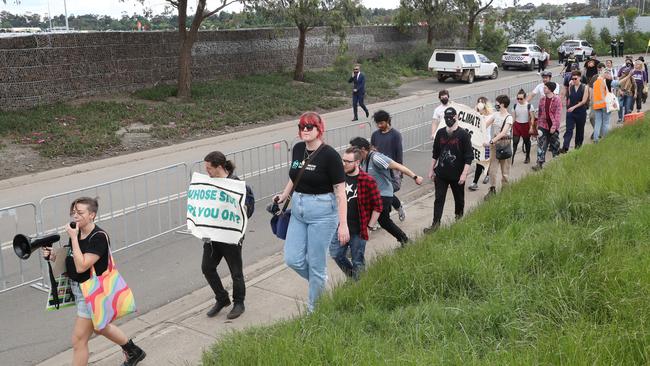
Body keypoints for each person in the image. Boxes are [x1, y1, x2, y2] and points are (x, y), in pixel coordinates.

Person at [42, 197, 146, 366]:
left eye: (80, 212)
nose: (75, 216)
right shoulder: (77, 233)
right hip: (78, 289)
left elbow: (82, 266)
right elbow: (73, 259)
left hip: (91, 292)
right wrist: (53, 256)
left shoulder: (98, 237)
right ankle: (133, 351)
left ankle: (133, 351)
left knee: (78, 340)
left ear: (92, 215)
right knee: (100, 326)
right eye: (73, 212)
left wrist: (74, 238)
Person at [275, 112, 348, 313]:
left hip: (323, 213)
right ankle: (320, 283)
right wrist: (283, 195)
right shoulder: (298, 149)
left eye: (310, 127)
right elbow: (295, 175)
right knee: (292, 259)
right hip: (299, 209)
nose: (305, 130)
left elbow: (340, 192)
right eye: (302, 127)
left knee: (316, 264)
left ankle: (314, 310)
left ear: (319, 129)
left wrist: (343, 224)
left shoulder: (330, 155)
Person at [202, 151, 254, 320]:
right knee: (207, 267)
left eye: (209, 168)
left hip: (231, 236)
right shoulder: (208, 183)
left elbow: (248, 208)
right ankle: (222, 298)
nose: (207, 172)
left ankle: (239, 303)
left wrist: (244, 209)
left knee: (235, 271)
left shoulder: (236, 185)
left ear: (219, 167)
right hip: (213, 236)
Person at [349, 136, 423, 247]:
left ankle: (354, 247)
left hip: (384, 195)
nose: (351, 153)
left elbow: (398, 166)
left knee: (364, 218)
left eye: (354, 150)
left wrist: (415, 177)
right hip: (375, 196)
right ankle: (405, 241)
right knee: (384, 222)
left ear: (363, 149)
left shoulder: (376, 158)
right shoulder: (362, 162)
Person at [329, 147, 382, 280]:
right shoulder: (339, 177)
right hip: (341, 227)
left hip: (359, 229)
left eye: (348, 161)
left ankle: (359, 285)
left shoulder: (367, 181)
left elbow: (378, 206)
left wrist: (369, 227)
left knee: (358, 260)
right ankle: (354, 278)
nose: (343, 164)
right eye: (343, 160)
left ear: (357, 162)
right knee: (336, 253)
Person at [425, 106, 473, 232]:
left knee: (459, 199)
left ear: (456, 117)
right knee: (439, 199)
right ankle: (435, 225)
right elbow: (435, 153)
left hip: (457, 175)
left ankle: (459, 221)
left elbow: (469, 157)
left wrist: (464, 174)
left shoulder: (464, 135)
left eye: (450, 118)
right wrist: (431, 169)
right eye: (446, 118)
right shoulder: (440, 133)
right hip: (441, 174)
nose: (448, 120)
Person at [370, 110, 406, 221]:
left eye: (381, 123)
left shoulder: (395, 135)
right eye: (377, 123)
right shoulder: (375, 135)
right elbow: (372, 150)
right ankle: (385, 217)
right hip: (378, 169)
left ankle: (397, 207)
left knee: (387, 192)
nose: (379, 126)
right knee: (380, 193)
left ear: (387, 121)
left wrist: (400, 170)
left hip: (392, 169)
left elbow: (399, 153)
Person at [483, 95, 513, 196]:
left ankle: (505, 189)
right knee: (492, 169)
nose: (495, 105)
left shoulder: (509, 118)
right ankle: (492, 189)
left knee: (505, 169)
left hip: (505, 143)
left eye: (497, 103)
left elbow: (503, 133)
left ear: (502, 104)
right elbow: (485, 125)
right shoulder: (495, 115)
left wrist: (491, 141)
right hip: (495, 145)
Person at [533, 82, 561, 171]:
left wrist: (554, 126)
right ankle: (539, 163)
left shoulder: (557, 99)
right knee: (541, 144)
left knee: (555, 145)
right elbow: (540, 112)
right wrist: (538, 125)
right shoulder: (542, 99)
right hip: (543, 125)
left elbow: (558, 114)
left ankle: (556, 163)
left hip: (552, 125)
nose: (543, 89)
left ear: (550, 89)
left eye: (545, 88)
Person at [468, 96, 493, 191]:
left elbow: (483, 126)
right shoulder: (477, 115)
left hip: (486, 143)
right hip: (478, 143)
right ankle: (475, 182)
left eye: (482, 102)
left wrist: (480, 114)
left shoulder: (490, 116)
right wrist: (476, 112)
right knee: (479, 161)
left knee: (484, 161)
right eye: (478, 102)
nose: (480, 104)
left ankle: (486, 174)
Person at [562, 70, 589, 152]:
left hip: (580, 112)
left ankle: (578, 148)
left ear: (580, 78)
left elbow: (584, 101)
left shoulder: (585, 87)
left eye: (575, 79)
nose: (573, 80)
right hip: (571, 112)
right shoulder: (570, 87)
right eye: (572, 79)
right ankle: (565, 147)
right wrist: (565, 102)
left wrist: (574, 107)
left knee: (579, 131)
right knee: (569, 129)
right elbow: (570, 98)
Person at [511, 89, 535, 164]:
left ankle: (527, 156)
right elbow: (513, 118)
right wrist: (510, 127)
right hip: (517, 125)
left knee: (526, 142)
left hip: (525, 126)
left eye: (521, 99)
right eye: (517, 98)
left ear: (525, 98)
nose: (519, 100)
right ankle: (513, 157)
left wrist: (531, 127)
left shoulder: (529, 106)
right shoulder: (515, 106)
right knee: (515, 142)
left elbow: (532, 117)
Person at [592, 66, 612, 143]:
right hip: (604, 104)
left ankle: (596, 139)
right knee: (606, 123)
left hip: (596, 105)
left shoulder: (595, 82)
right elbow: (607, 93)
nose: (609, 75)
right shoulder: (603, 82)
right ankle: (605, 139)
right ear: (605, 73)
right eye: (608, 73)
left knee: (598, 122)